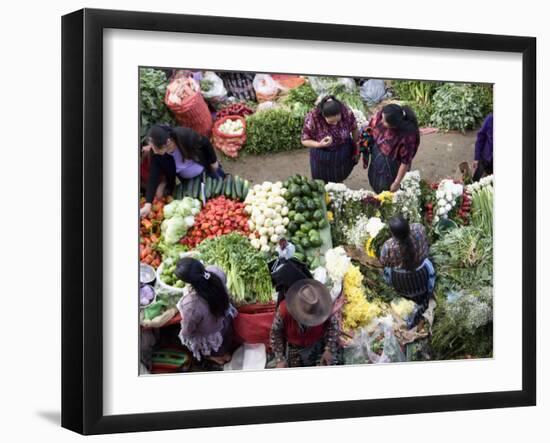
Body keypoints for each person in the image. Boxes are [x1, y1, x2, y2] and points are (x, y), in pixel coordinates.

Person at [140, 125, 224, 217]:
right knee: (203, 203)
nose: (154, 151)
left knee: (221, 190)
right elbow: (153, 176)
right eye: (152, 147)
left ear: (168, 142)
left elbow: (205, 142)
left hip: (206, 170)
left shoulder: (184, 135)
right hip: (188, 180)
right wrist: (148, 204)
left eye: (156, 148)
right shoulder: (157, 155)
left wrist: (213, 162)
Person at [175, 257, 237, 365]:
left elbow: (188, 328)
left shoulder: (191, 304)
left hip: (211, 333)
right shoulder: (215, 272)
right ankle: (226, 354)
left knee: (216, 348)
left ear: (186, 281)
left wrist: (185, 335)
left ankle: (219, 358)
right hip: (224, 319)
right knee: (225, 339)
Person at [270, 279, 339, 368]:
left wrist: (329, 349)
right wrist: (280, 359)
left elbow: (334, 326)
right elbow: (275, 333)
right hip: (294, 347)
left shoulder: (323, 308)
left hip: (316, 345)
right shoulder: (284, 310)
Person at [380, 215, 435, 312]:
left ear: (393, 234)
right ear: (408, 225)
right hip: (423, 276)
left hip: (403, 284)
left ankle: (408, 298)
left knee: (387, 270)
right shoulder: (419, 229)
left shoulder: (388, 246)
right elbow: (426, 240)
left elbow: (383, 262)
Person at [301, 96, 360, 183]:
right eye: (331, 122)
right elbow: (304, 140)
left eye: (337, 120)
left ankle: (339, 184)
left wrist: (356, 146)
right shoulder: (313, 117)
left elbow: (354, 128)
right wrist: (319, 144)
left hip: (341, 153)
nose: (335, 124)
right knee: (320, 182)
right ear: (323, 116)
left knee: (339, 176)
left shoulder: (346, 112)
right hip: (321, 155)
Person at [366, 103, 420, 193]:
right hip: (378, 159)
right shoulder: (384, 115)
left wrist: (396, 182)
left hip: (392, 167)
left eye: (384, 121)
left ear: (394, 125)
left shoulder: (408, 136)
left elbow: (405, 162)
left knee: (387, 192)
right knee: (376, 184)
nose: (381, 121)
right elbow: (372, 125)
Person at [472, 113, 493, 182]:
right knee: (475, 183)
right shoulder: (490, 118)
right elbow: (480, 138)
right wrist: (476, 158)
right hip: (486, 158)